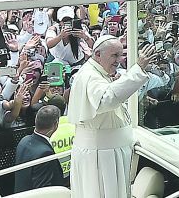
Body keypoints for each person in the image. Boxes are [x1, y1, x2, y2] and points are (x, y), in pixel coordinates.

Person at [67, 35, 158, 198]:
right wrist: (137, 69)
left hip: (107, 151)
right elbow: (106, 100)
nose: (119, 60)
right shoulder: (90, 75)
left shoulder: (97, 71)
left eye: (121, 55)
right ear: (98, 54)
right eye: (114, 55)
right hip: (101, 156)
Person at [14, 105, 66, 193]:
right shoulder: (45, 153)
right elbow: (42, 190)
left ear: (36, 120)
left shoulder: (23, 141)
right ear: (56, 125)